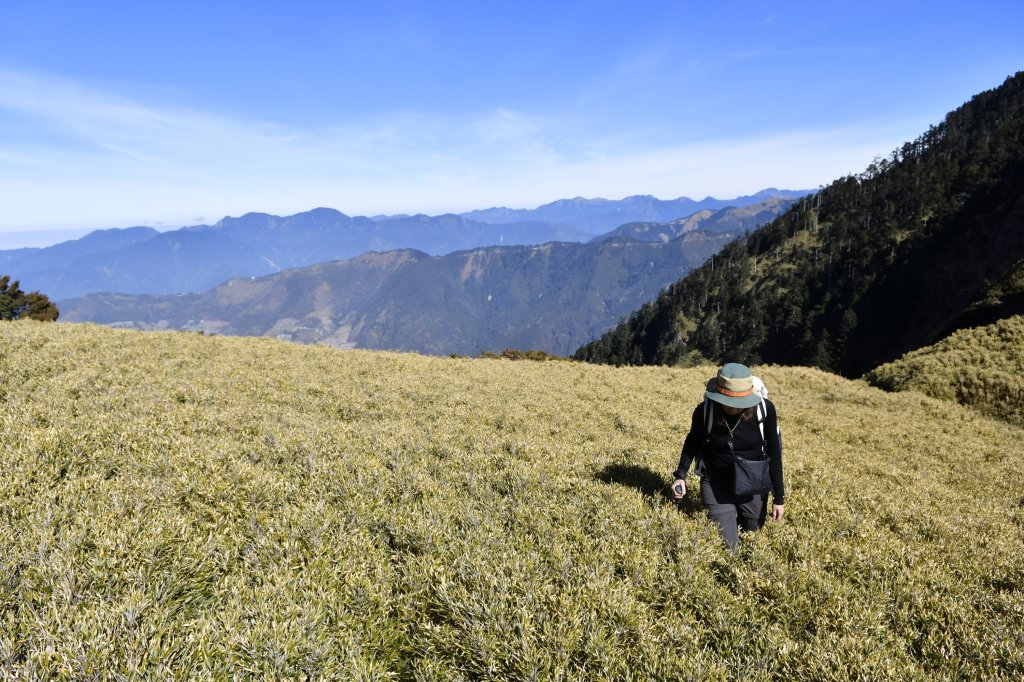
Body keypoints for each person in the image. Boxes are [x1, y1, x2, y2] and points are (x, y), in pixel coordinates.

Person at [670, 363, 784, 550]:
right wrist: (680, 476)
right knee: (729, 547)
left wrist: (778, 499)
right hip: (716, 483)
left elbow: (774, 454)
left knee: (752, 531)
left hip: (753, 484)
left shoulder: (765, 410)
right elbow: (692, 442)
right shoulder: (704, 411)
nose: (733, 408)